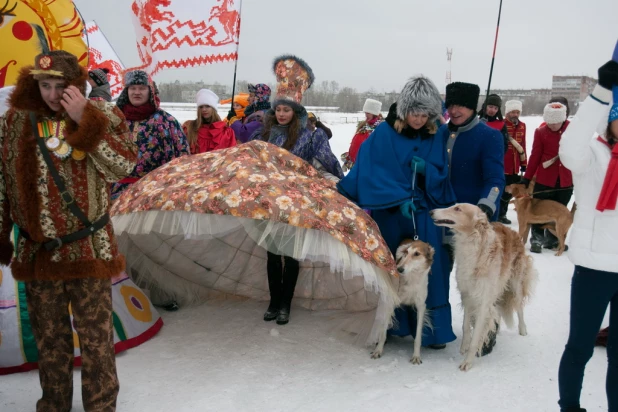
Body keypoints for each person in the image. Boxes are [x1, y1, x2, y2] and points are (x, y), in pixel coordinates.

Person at [0, 48, 137, 411]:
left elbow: (123, 166)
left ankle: (101, 406)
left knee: (95, 339)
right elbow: (3, 180)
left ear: (76, 85)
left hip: (88, 249)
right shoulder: (14, 121)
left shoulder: (103, 114)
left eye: (60, 86)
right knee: (51, 339)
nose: (51, 94)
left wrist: (83, 120)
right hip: (38, 252)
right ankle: (54, 404)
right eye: (44, 85)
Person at [338, 76, 457, 348]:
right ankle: (392, 324)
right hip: (391, 212)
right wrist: (397, 197)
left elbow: (441, 170)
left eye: (425, 113)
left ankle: (432, 332)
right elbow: (372, 168)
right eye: (414, 112)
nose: (418, 119)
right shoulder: (384, 132)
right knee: (392, 267)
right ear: (404, 109)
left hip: (422, 210)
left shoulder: (436, 132)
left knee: (429, 268)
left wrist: (428, 171)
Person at [250, 55, 343, 324]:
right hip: (268, 202)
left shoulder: (309, 135)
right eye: (278, 109)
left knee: (290, 256)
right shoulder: (263, 135)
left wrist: (336, 182)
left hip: (295, 203)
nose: (281, 113)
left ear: (296, 111)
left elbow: (325, 161)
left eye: (286, 110)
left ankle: (285, 305)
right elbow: (250, 162)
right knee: (271, 254)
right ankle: (273, 301)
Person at [557, 59, 618, 412]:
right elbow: (570, 145)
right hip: (595, 269)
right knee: (580, 347)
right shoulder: (592, 154)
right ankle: (570, 408)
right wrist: (602, 91)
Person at [442, 81, 505, 355]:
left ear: (473, 107)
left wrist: (485, 208)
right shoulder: (440, 134)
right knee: (443, 275)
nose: (455, 110)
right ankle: (439, 328)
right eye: (451, 104)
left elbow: (494, 179)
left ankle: (486, 329)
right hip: (443, 218)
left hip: (474, 224)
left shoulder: (488, 136)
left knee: (479, 282)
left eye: (462, 106)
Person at [111, 69, 189, 200]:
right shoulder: (115, 120)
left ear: (150, 91)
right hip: (116, 194)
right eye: (133, 88)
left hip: (154, 193)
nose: (136, 92)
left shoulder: (166, 121)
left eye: (141, 88)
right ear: (126, 91)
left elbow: (183, 157)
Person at [520, 102, 573, 253]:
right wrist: (527, 177)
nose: (551, 125)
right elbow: (535, 156)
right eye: (548, 122)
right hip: (545, 179)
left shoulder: (572, 130)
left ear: (562, 119)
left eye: (554, 122)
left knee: (558, 211)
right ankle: (536, 239)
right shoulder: (541, 132)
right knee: (538, 210)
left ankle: (553, 239)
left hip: (565, 180)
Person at [498, 100, 527, 224]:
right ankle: (499, 214)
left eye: (517, 112)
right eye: (513, 112)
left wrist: (524, 163)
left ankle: (502, 213)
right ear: (507, 112)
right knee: (500, 191)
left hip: (515, 166)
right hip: (503, 164)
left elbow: (523, 145)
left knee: (509, 192)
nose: (515, 114)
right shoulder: (501, 124)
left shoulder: (522, 126)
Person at [183, 89, 236, 154]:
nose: (204, 110)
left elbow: (232, 155)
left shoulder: (226, 132)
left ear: (213, 108)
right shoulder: (189, 128)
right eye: (201, 107)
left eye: (207, 106)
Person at [341, 98, 383, 171]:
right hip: (356, 166)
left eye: (368, 113)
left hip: (369, 168)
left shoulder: (381, 128)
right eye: (365, 112)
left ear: (375, 113)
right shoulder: (364, 125)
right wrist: (348, 160)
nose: (366, 115)